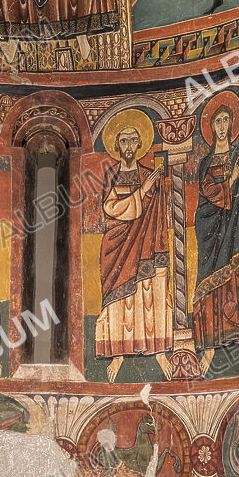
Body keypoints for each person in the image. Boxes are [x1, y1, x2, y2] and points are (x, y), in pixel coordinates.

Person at [95, 123, 173, 383]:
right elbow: (110, 209)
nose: (128, 146)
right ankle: (118, 352)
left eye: (133, 140)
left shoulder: (151, 174)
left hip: (147, 247)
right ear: (117, 147)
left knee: (148, 293)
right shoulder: (111, 176)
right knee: (119, 301)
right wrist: (143, 191)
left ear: (140, 145)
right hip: (117, 248)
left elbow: (162, 211)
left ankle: (158, 349)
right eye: (124, 141)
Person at [192, 100, 239, 376]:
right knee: (210, 284)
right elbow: (207, 193)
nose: (221, 127)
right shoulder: (206, 162)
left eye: (225, 122)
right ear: (210, 128)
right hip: (210, 230)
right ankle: (209, 348)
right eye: (217, 122)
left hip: (235, 231)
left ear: (231, 126)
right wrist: (230, 181)